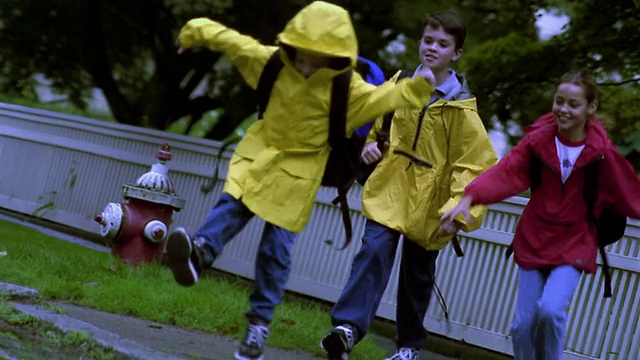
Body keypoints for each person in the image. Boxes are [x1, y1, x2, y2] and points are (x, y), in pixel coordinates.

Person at [163, 2, 438, 360]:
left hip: (301, 171)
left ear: (334, 58)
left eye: (315, 60)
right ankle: (199, 253)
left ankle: (258, 326)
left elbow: (382, 97)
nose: (305, 65)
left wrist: (417, 88)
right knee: (231, 205)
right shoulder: (273, 62)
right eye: (300, 56)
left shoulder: (347, 89)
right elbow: (230, 41)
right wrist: (191, 34)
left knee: (274, 251)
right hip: (261, 155)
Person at [321, 10, 498, 360]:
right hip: (390, 187)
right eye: (428, 40)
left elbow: (474, 164)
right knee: (372, 251)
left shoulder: (462, 110)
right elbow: (375, 126)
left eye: (443, 44)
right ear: (419, 42)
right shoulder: (399, 84)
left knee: (417, 276)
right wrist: (369, 146)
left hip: (432, 204)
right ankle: (347, 329)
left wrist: (458, 209)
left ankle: (408, 347)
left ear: (457, 53)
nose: (433, 48)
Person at [440, 70, 640, 360]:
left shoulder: (602, 153)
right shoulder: (537, 142)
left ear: (590, 108)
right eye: (559, 101)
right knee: (522, 326)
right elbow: (505, 172)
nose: (564, 109)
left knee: (550, 310)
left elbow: (629, 189)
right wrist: (468, 197)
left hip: (575, 240)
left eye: (574, 104)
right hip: (534, 237)